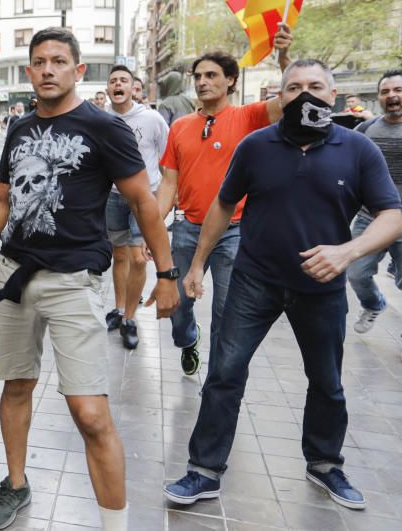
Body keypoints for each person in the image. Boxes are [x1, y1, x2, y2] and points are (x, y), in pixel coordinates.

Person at [0, 28, 179, 531]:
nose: (48, 69)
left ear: (79, 70)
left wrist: (166, 273)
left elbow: (143, 201)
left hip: (73, 280)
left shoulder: (104, 127)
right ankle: (15, 484)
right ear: (30, 71)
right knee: (17, 384)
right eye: (40, 61)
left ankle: (113, 524)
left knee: (90, 412)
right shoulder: (18, 127)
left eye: (59, 60)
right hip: (14, 274)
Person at [164, 59, 402, 511]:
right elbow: (223, 204)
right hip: (254, 281)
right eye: (293, 88)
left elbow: (393, 214)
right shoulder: (256, 146)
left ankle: (326, 464)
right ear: (281, 96)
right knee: (224, 374)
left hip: (322, 288)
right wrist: (196, 265)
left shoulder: (357, 149)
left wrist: (346, 253)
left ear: (332, 95)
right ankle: (204, 470)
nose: (304, 95)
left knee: (327, 381)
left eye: (315, 86)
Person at [156, 45, 287, 376]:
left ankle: (216, 378)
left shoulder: (248, 117)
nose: (202, 82)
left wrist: (284, 58)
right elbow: (169, 185)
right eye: (198, 76)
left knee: (226, 309)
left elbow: (292, 100)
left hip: (235, 231)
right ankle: (188, 340)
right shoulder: (180, 126)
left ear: (231, 80)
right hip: (187, 229)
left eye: (211, 75)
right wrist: (153, 227)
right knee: (178, 307)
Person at [104, 65, 169, 349]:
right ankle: (119, 310)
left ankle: (130, 318)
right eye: (113, 81)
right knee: (119, 256)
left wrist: (168, 197)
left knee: (139, 258)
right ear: (109, 89)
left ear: (133, 88)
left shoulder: (152, 118)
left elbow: (168, 158)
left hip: (145, 197)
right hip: (112, 197)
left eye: (124, 80)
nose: (118, 84)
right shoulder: (100, 120)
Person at [346, 70, 402, 333]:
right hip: (371, 217)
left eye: (398, 90)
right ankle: (373, 303)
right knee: (355, 273)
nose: (392, 96)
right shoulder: (366, 129)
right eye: (385, 91)